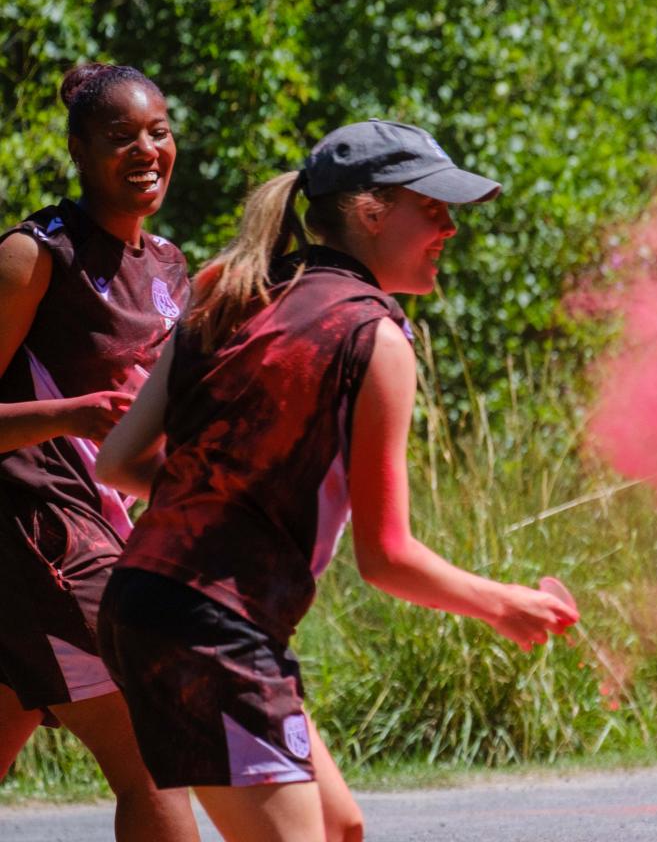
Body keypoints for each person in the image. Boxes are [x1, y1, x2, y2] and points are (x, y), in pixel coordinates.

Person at [94, 119, 579, 842]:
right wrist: (502, 604)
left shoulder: (229, 287)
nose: (450, 227)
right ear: (371, 211)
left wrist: (224, 496)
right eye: (434, 207)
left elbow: (121, 462)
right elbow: (386, 558)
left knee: (341, 828)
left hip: (149, 601)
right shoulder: (374, 337)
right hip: (212, 626)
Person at [0, 63, 196, 840]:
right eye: (120, 137)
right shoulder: (34, 255)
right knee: (154, 748)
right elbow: (88, 418)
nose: (146, 150)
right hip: (41, 536)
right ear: (78, 151)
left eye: (159, 131)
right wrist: (67, 414)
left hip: (116, 538)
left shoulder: (169, 265)